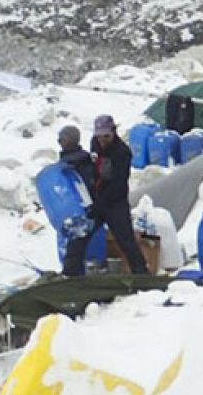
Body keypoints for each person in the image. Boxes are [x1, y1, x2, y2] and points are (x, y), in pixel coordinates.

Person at [67, 115, 150, 276]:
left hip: (115, 203)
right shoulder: (95, 144)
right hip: (96, 200)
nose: (103, 140)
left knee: (126, 240)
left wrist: (101, 204)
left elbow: (118, 184)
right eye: (99, 136)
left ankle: (141, 274)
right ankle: (71, 274)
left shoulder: (122, 152)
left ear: (113, 132)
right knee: (79, 236)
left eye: (106, 136)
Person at [56, 125, 100, 276]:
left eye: (61, 139)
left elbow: (84, 187)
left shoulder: (74, 164)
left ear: (68, 140)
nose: (59, 142)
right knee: (77, 246)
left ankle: (71, 275)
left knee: (76, 245)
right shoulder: (82, 159)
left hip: (81, 210)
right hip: (85, 208)